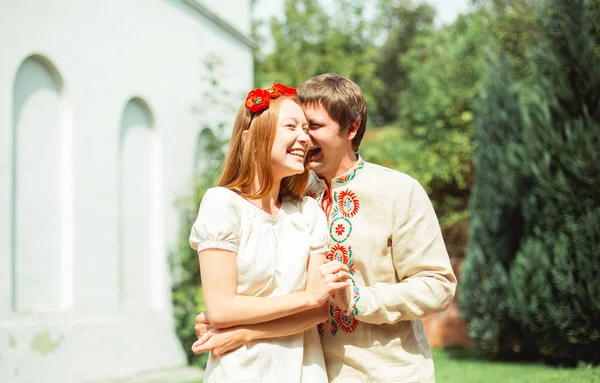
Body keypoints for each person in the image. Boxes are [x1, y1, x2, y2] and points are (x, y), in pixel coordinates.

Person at [193, 74, 457, 382]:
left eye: (313, 127)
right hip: (309, 370)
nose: (305, 139)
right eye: (296, 126)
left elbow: (437, 285)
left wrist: (357, 299)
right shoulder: (296, 200)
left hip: (385, 373)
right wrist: (236, 326)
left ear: (352, 128)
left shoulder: (398, 191)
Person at [189, 83, 351, 383]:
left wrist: (246, 331)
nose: (304, 138)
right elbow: (221, 309)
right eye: (291, 126)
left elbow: (318, 312)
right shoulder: (223, 204)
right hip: (240, 371)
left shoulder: (307, 213)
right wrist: (309, 297)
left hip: (302, 370)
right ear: (252, 138)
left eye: (306, 128)